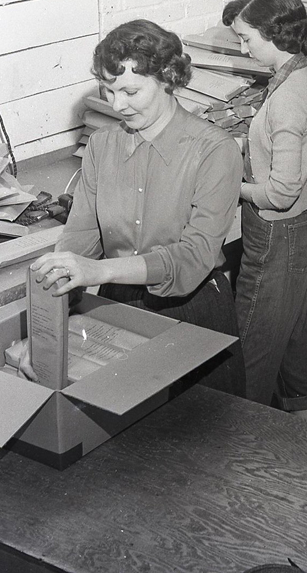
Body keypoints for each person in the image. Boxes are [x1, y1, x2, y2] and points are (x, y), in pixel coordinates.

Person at [30, 20, 245, 396]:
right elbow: (82, 235)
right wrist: (47, 320)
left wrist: (97, 270)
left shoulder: (215, 150)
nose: (117, 105)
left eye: (130, 91)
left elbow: (194, 258)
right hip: (119, 304)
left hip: (192, 310)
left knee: (206, 434)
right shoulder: (101, 146)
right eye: (109, 90)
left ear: (169, 78)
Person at [222, 0, 307, 420]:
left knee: (250, 352)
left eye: (247, 39)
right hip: (300, 233)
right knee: (294, 341)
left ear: (274, 33)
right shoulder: (304, 72)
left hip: (276, 235)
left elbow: (280, 192)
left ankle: (239, 451)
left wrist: (233, 184)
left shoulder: (286, 99)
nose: (244, 49)